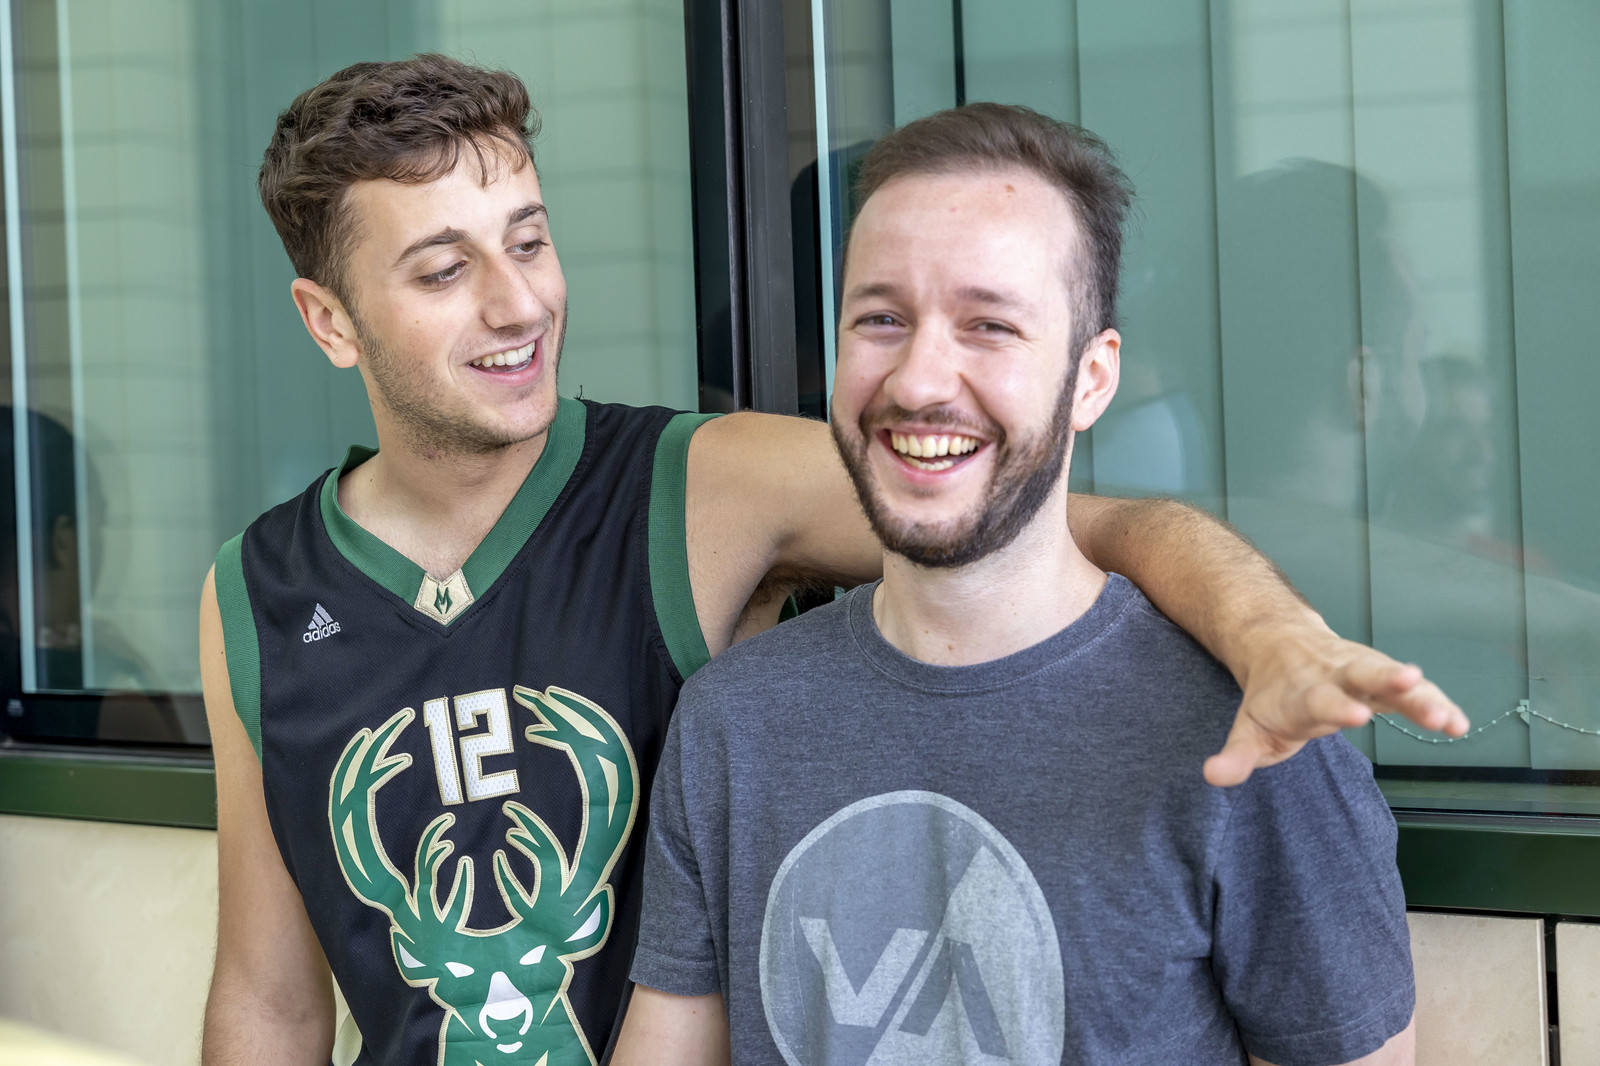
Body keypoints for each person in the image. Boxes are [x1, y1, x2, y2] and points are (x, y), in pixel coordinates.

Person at [199, 57, 1454, 1065]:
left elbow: (1055, 514)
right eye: (442, 269)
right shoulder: (257, 595)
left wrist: (1269, 638)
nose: (516, 303)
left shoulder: (708, 484)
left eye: (527, 242)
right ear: (328, 322)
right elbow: (268, 998)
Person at [614, 105, 1416, 1065]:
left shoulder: (1249, 737)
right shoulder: (732, 723)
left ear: (1092, 378)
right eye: (881, 319)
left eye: (988, 325)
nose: (919, 380)